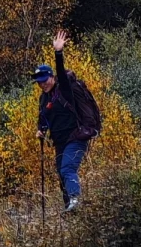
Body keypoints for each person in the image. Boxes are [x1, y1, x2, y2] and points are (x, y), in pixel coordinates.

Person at [33, 27, 100, 212]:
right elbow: (44, 117)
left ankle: (76, 200)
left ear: (52, 77)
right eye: (39, 81)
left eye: (45, 79)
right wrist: (41, 129)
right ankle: (70, 210)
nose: (42, 83)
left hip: (76, 136)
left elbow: (61, 72)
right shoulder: (44, 98)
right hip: (59, 142)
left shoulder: (64, 88)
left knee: (68, 169)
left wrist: (58, 52)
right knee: (62, 176)